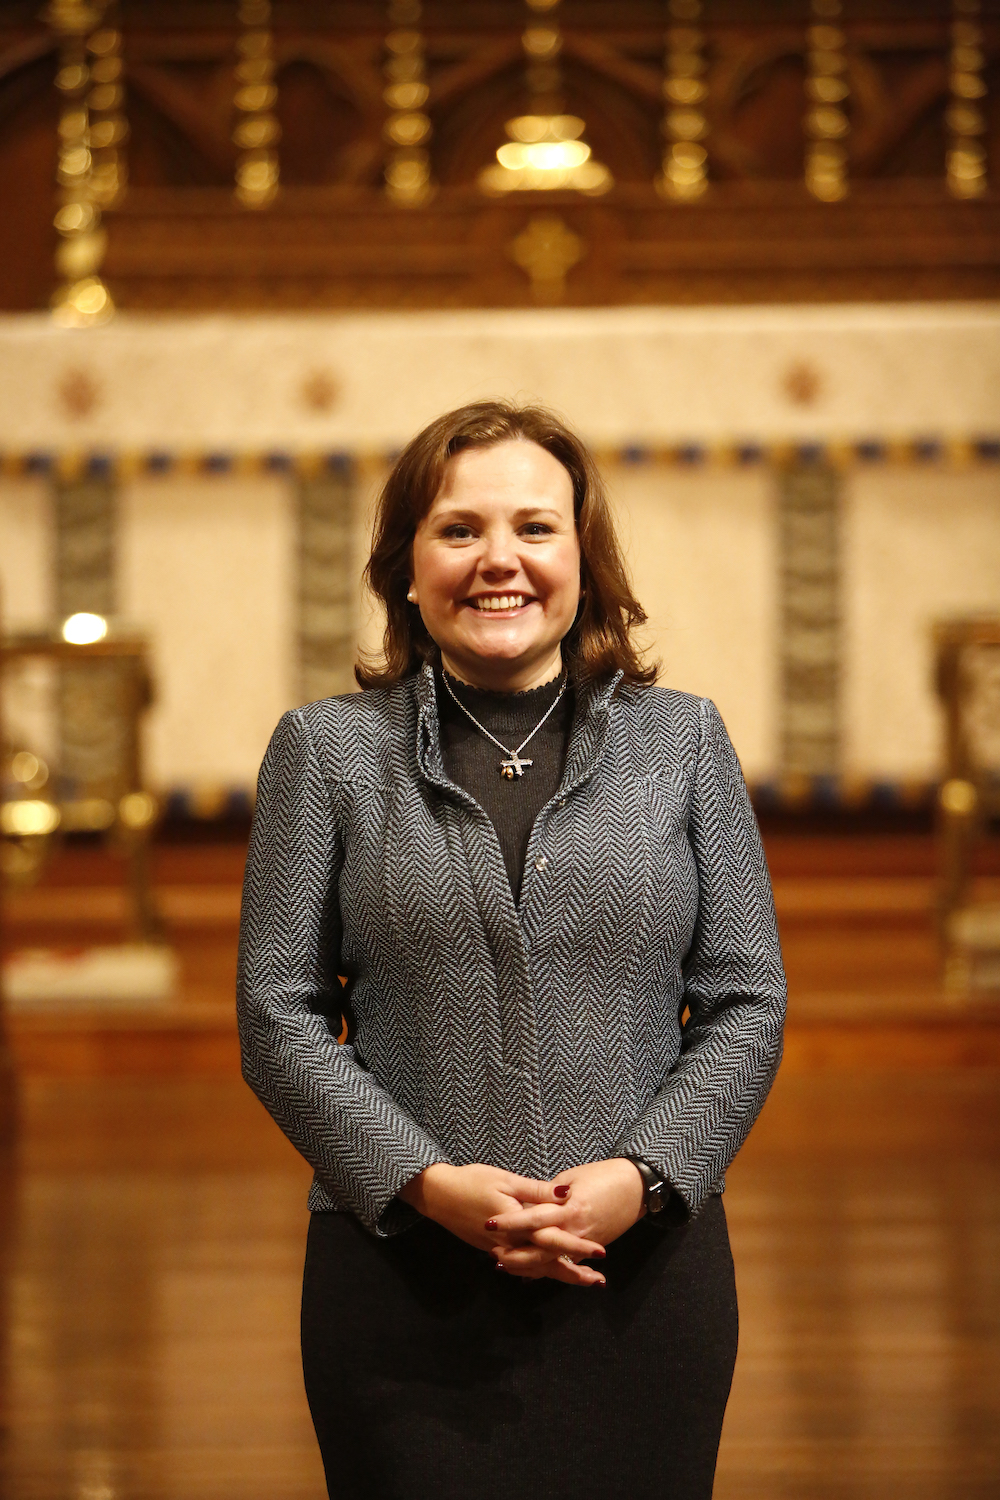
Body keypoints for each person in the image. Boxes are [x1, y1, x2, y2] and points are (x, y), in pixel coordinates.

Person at [237, 400, 786, 1500]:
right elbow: (276, 1015)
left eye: (536, 527)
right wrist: (427, 1184)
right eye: (459, 529)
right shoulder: (326, 753)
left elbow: (746, 1001)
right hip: (402, 1277)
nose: (500, 560)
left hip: (642, 1277)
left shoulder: (683, 742)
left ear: (584, 557)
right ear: (406, 568)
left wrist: (640, 1177)